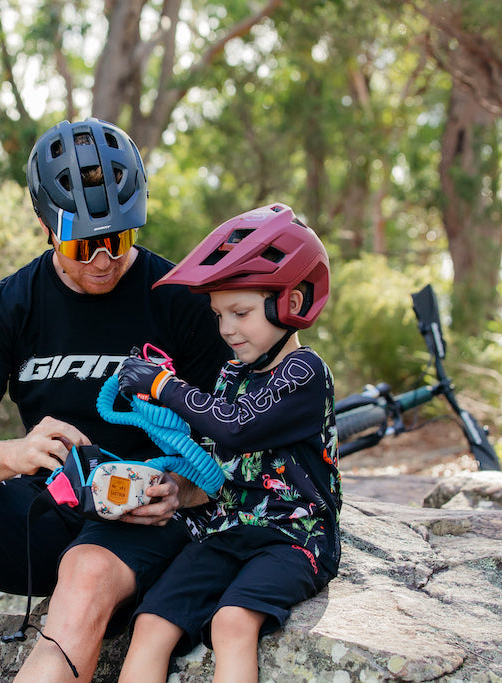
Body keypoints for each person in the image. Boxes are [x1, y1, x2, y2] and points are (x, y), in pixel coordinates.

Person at [0, 117, 230, 683]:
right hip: (51, 501)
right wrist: (17, 453)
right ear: (44, 226)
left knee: (84, 572)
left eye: (120, 237)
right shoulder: (9, 305)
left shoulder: (182, 301)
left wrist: (177, 493)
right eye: (84, 244)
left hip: (146, 523)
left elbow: (233, 444)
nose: (104, 258)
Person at [115, 203, 341, 683]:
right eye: (219, 315)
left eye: (239, 313)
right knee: (152, 624)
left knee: (231, 622)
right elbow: (210, 452)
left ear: (292, 303)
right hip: (226, 531)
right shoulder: (229, 374)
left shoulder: (305, 372)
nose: (226, 329)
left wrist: (164, 387)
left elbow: (237, 426)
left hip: (293, 538)